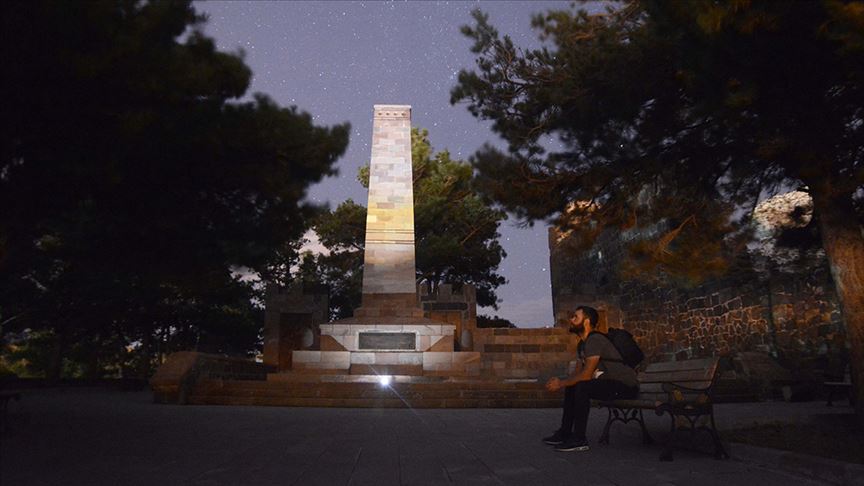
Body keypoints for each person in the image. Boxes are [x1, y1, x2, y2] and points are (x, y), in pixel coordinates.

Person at [543, 306, 638, 452]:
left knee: (582, 386)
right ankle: (565, 433)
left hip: (626, 386)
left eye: (576, 317)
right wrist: (562, 382)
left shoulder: (595, 339)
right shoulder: (582, 344)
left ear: (586, 321)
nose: (571, 320)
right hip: (610, 385)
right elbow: (577, 375)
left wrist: (560, 383)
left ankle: (579, 439)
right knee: (573, 385)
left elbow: (586, 375)